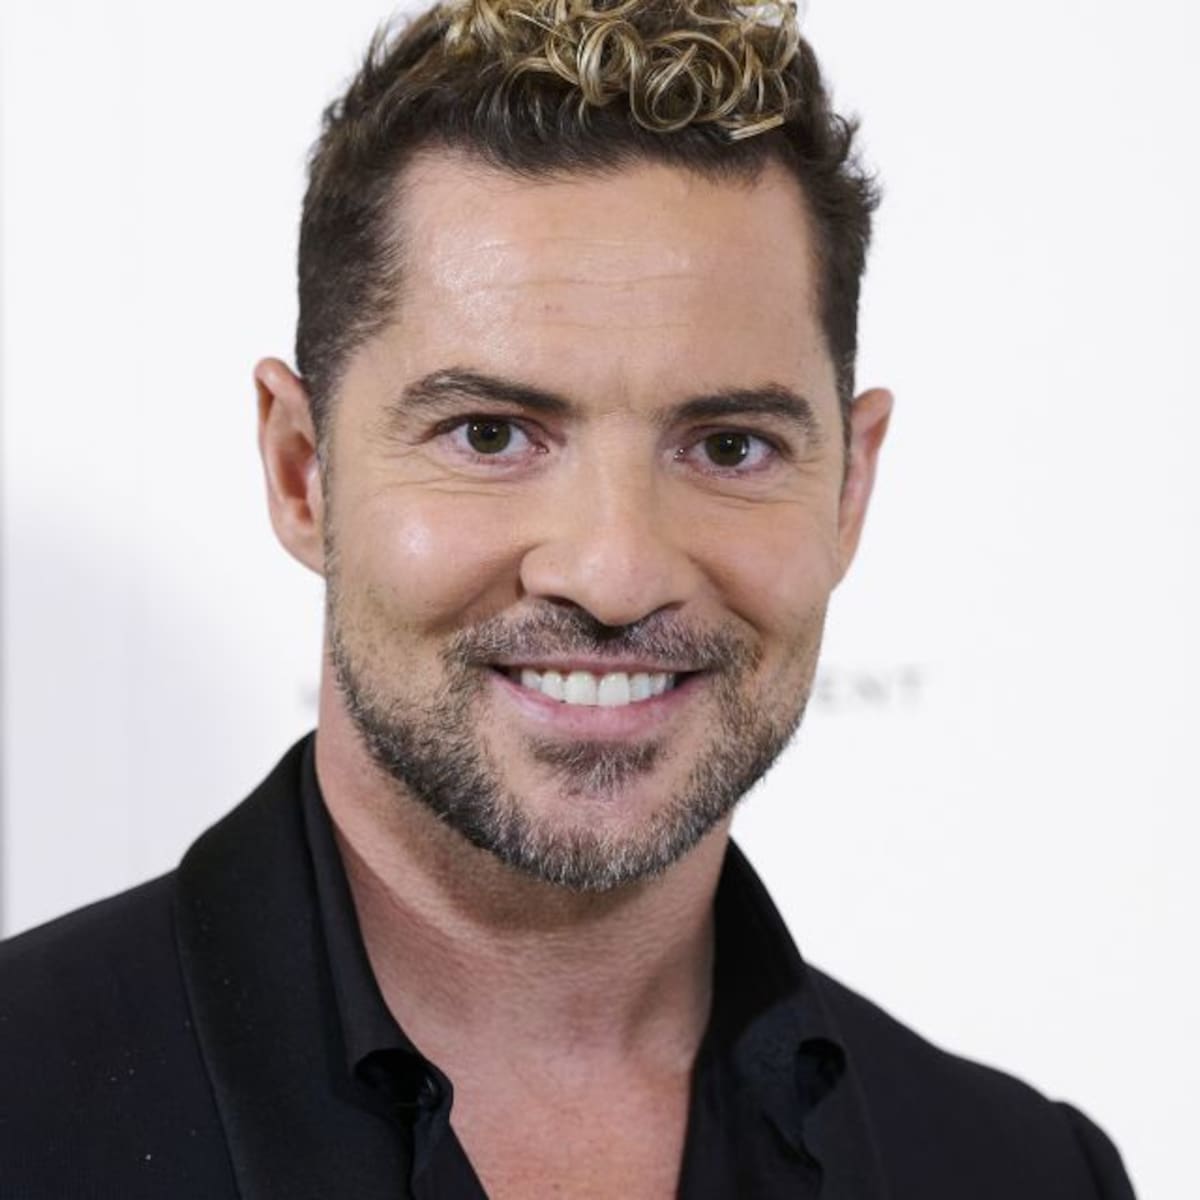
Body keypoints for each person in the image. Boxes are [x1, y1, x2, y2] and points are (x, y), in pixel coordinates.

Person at [0, 2, 1137, 1196]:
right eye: (491, 434)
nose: (615, 571)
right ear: (301, 471)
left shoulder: (1024, 1171)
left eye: (731, 447)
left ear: (849, 489)